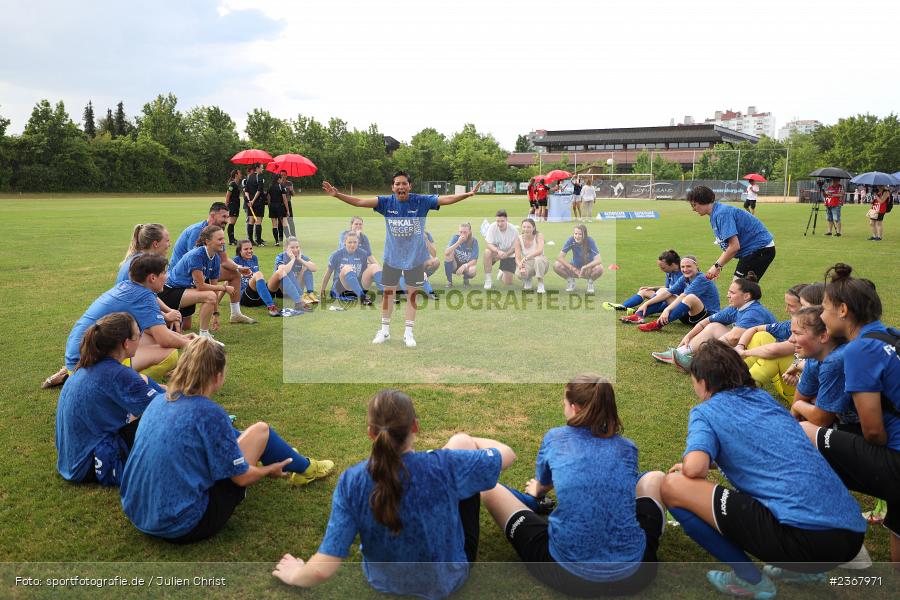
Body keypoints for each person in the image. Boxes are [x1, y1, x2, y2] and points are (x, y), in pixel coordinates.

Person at [661, 340, 866, 598]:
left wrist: (693, 462)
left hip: (806, 540)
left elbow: (694, 469)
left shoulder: (706, 411)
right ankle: (799, 570)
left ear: (702, 382)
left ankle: (749, 579)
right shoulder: (763, 399)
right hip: (850, 536)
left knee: (673, 486)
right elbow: (758, 450)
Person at [271, 389, 514, 597]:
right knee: (462, 451)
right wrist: (467, 440)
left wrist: (296, 575)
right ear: (415, 426)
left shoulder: (352, 481)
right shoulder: (445, 465)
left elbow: (324, 567)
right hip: (447, 578)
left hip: (384, 581)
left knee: (458, 458)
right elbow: (507, 454)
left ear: (370, 432)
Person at [120, 337, 334, 543]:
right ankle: (305, 469)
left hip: (137, 513)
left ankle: (302, 465)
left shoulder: (159, 401)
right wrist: (269, 471)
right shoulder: (211, 414)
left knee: (255, 435)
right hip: (182, 525)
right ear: (218, 376)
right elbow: (241, 479)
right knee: (260, 431)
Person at [480, 375, 667, 596]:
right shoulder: (627, 448)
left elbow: (543, 484)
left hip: (569, 575)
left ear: (575, 408)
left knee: (486, 485)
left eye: (564, 403)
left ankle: (533, 505)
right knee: (654, 477)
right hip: (636, 574)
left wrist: (536, 492)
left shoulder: (555, 438)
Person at [799, 263, 900, 561]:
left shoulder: (859, 350)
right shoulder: (890, 335)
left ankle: (830, 542)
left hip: (896, 456)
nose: (821, 315)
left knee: (806, 435)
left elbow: (872, 431)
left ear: (843, 310)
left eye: (826, 308)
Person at [322, 172, 482, 348]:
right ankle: (384, 331)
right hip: (392, 257)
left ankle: (408, 333)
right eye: (397, 184)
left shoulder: (420, 201)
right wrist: (337, 194)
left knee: (411, 294)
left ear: (409, 186)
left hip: (414, 258)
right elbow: (360, 202)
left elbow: (445, 199)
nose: (401, 187)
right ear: (392, 187)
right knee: (388, 295)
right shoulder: (386, 202)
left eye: (404, 183)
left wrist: (467, 194)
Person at [56, 312, 164, 485]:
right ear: (126, 343)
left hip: (72, 461)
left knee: (146, 390)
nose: (141, 337)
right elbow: (165, 410)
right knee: (163, 422)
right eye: (138, 334)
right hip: (92, 465)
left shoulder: (87, 365)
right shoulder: (118, 374)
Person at [58, 255, 194, 380]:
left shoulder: (128, 286)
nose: (167, 276)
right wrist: (196, 344)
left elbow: (155, 333)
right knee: (170, 355)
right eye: (164, 273)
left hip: (77, 356)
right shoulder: (144, 296)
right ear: (152, 278)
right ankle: (121, 386)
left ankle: (76, 377)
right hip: (86, 365)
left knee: (150, 337)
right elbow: (165, 340)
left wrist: (182, 338)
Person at [652, 274, 775, 370]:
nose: (728, 295)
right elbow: (707, 321)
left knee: (725, 337)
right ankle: (679, 353)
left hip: (765, 357)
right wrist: (688, 336)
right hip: (748, 350)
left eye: (732, 293)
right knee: (713, 326)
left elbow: (733, 338)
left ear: (746, 296)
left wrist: (702, 355)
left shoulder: (754, 312)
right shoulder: (737, 307)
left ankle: (695, 363)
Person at [169, 202, 255, 328]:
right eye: (224, 217)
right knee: (185, 325)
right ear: (213, 215)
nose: (227, 220)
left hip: (200, 272)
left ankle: (236, 314)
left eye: (227, 217)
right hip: (183, 276)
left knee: (234, 273)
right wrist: (222, 288)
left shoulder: (217, 235)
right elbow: (192, 261)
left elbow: (224, 260)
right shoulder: (197, 231)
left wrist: (239, 267)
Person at [160, 225, 239, 342]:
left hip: (186, 290)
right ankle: (203, 335)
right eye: (219, 239)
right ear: (207, 241)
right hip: (170, 291)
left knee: (186, 326)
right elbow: (201, 286)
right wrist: (225, 288)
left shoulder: (216, 258)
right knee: (209, 295)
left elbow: (214, 289)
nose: (223, 242)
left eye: (223, 238)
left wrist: (216, 314)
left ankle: (172, 324)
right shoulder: (196, 255)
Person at [734, 283, 807, 402]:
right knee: (760, 336)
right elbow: (754, 328)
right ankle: (735, 375)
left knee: (776, 356)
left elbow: (774, 351)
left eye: (791, 305)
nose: (786, 309)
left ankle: (738, 392)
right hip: (785, 378)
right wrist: (740, 346)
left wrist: (745, 353)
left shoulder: (814, 331)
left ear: (805, 306)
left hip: (800, 393)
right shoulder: (791, 324)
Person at [687, 185, 776, 281]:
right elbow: (730, 246)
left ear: (703, 201)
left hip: (760, 249)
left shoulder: (721, 213)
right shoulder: (716, 214)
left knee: (739, 290)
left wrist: (716, 266)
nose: (693, 209)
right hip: (753, 250)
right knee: (741, 290)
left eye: (694, 205)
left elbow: (734, 247)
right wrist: (718, 266)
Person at [789, 306, 855, 427]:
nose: (790, 340)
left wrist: (799, 406)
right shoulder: (814, 358)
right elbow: (795, 410)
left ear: (823, 336)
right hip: (846, 424)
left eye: (797, 333)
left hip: (882, 435)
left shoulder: (836, 360)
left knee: (805, 428)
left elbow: (821, 419)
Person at [623, 255, 720, 329]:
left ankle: (658, 324)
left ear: (696, 266)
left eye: (688, 266)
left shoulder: (702, 278)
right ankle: (638, 316)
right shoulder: (684, 278)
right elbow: (668, 292)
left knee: (690, 297)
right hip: (688, 315)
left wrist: (667, 310)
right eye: (683, 267)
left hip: (706, 318)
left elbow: (683, 296)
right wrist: (646, 304)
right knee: (664, 291)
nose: (685, 270)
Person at [603, 249, 681, 315]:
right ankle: (622, 306)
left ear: (672, 265)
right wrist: (653, 288)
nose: (661, 270)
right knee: (644, 291)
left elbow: (670, 291)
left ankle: (638, 314)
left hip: (676, 302)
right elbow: (668, 287)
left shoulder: (682, 274)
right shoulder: (670, 272)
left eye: (663, 267)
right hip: (667, 297)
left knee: (661, 294)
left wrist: (655, 296)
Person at [319, 231, 378, 305]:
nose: (352, 245)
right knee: (348, 267)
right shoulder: (336, 255)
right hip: (341, 287)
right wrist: (322, 291)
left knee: (374, 266)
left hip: (357, 286)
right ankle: (362, 297)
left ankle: (388, 295)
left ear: (358, 242)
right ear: (345, 242)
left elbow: (364, 274)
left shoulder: (363, 253)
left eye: (355, 242)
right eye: (350, 242)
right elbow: (328, 274)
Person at [232, 240, 282, 318]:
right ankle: (271, 307)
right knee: (258, 274)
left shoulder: (254, 258)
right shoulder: (236, 260)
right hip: (246, 297)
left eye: (251, 248)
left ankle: (297, 301)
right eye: (246, 249)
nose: (249, 251)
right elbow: (228, 280)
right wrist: (218, 300)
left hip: (259, 296)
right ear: (239, 251)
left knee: (279, 273)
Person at [554, 224, 604, 294]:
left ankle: (590, 282)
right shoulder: (571, 240)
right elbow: (560, 257)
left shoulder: (590, 241)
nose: (577, 236)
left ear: (585, 235)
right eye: (575, 233)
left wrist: (585, 267)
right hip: (575, 269)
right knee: (557, 265)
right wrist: (573, 268)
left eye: (580, 234)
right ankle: (571, 281)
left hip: (588, 270)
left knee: (600, 268)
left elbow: (598, 260)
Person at [273, 237, 317, 314]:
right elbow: (283, 271)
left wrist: (300, 260)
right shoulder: (280, 256)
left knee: (307, 267)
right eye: (292, 247)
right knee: (286, 271)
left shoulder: (301, 256)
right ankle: (299, 301)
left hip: (296, 288)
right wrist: (293, 259)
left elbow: (314, 268)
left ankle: (310, 293)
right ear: (286, 248)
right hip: (282, 290)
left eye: (297, 247)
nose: (295, 250)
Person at [483, 209, 519, 290]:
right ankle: (488, 280)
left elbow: (515, 246)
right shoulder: (492, 227)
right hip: (497, 252)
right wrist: (498, 251)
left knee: (507, 282)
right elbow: (488, 244)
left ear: (507, 220)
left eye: (502, 221)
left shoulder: (513, 230)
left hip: (509, 254)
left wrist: (506, 254)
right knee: (487, 252)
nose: (499, 223)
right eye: (498, 221)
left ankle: (502, 270)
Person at [514, 218, 549, 294]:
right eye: (524, 227)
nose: (526, 229)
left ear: (534, 228)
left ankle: (540, 283)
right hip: (528, 262)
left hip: (541, 261)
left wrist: (526, 257)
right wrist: (520, 266)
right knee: (519, 273)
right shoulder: (518, 239)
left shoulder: (539, 235)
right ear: (521, 228)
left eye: (529, 227)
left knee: (538, 260)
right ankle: (528, 279)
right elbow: (517, 258)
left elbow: (539, 251)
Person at [444, 223, 479, 288]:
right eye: (461, 232)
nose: (462, 234)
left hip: (465, 267)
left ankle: (466, 280)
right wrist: (458, 242)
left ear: (469, 232)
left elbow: (474, 260)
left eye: (465, 232)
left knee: (473, 270)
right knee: (449, 254)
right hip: (454, 265)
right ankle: (449, 282)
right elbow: (446, 253)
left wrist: (464, 266)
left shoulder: (473, 241)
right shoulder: (455, 238)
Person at [245, 164, 267, 246]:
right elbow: (259, 190)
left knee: (251, 220)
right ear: (257, 168)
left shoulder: (249, 176)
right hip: (258, 202)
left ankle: (250, 240)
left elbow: (246, 190)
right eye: (262, 168)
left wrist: (249, 200)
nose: (263, 169)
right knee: (258, 221)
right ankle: (259, 241)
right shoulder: (260, 176)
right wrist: (253, 200)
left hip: (250, 202)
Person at [268, 172, 288, 246]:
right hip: (279, 206)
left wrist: (270, 206)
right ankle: (288, 241)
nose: (281, 180)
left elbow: (268, 198)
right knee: (284, 224)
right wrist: (287, 209)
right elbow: (284, 199)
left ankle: (276, 242)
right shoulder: (281, 186)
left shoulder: (270, 187)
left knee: (274, 225)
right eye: (281, 178)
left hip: (272, 206)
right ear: (278, 179)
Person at [225, 169, 242, 245]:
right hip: (232, 204)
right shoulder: (232, 184)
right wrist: (226, 205)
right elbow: (228, 195)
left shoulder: (236, 183)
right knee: (231, 222)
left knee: (233, 222)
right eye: (239, 173)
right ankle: (231, 240)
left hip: (236, 204)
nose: (241, 174)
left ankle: (232, 238)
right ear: (236, 175)